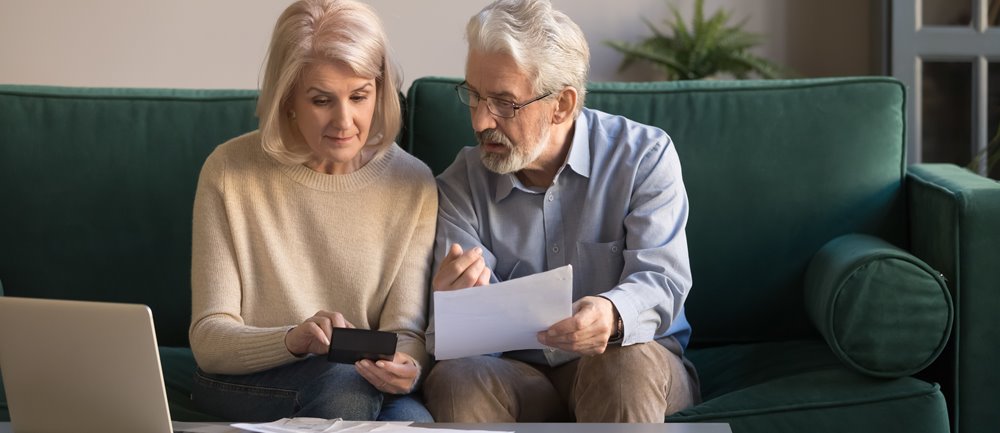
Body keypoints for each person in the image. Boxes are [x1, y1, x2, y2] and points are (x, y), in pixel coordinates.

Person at [422, 0, 700, 423]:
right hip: (518, 374)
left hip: (632, 362)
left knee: (623, 364)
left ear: (563, 105)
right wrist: (452, 307)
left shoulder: (644, 157)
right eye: (474, 96)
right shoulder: (461, 181)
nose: (480, 121)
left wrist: (611, 313)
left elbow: (662, 280)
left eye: (503, 103)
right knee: (458, 378)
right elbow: (457, 339)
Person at [188, 0, 436, 422]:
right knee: (343, 388)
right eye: (322, 100)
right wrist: (292, 339)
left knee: (417, 423)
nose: (345, 121)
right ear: (288, 100)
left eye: (360, 96)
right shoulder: (228, 172)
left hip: (362, 383)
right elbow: (210, 339)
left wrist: (408, 368)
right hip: (251, 378)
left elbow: (406, 333)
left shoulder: (414, 184)